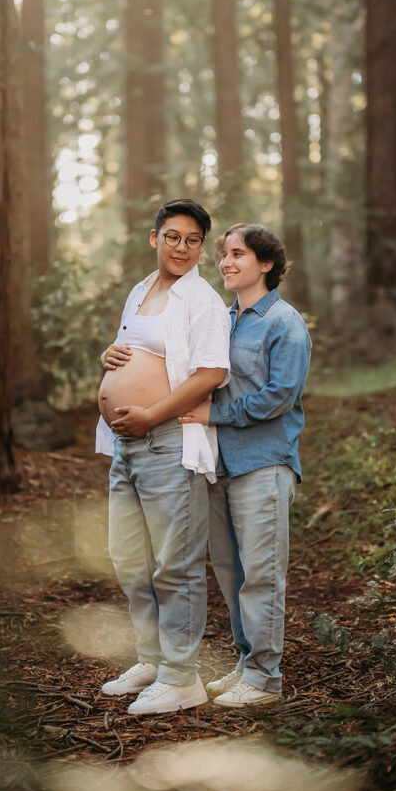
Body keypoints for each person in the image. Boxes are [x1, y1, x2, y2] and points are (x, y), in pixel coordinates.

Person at [95, 199, 231, 716]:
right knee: (130, 559)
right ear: (155, 239)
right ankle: (152, 660)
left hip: (168, 442)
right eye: (173, 237)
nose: (181, 247)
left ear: (201, 247)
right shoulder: (140, 291)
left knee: (175, 564)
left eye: (192, 240)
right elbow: (133, 351)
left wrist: (151, 416)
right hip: (125, 447)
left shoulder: (203, 301)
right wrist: (109, 356)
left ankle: (182, 677)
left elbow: (209, 374)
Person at [180, 223, 311, 708]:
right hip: (219, 464)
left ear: (266, 263)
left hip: (264, 463)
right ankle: (245, 662)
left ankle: (264, 678)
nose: (226, 262)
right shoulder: (223, 318)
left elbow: (279, 396)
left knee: (261, 574)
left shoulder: (284, 323)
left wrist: (215, 413)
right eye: (223, 255)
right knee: (231, 572)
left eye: (238, 254)